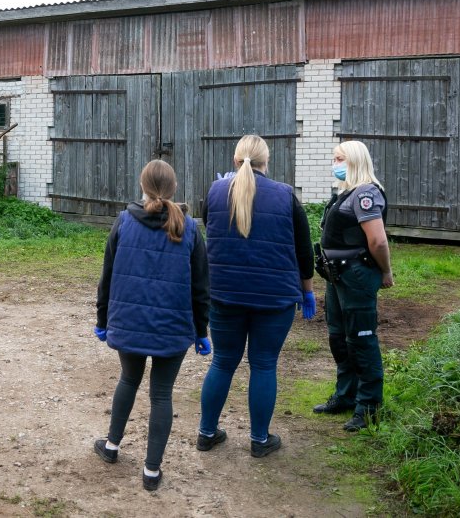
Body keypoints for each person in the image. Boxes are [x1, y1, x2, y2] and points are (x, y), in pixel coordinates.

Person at [92, 160, 211, 492]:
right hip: (174, 328)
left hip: (128, 324)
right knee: (161, 394)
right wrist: (202, 331)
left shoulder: (124, 222)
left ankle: (112, 446)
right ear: (173, 188)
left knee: (128, 379)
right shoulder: (189, 227)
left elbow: (107, 278)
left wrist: (103, 321)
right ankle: (152, 471)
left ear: (141, 186)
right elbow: (202, 287)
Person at [197, 134, 315, 458]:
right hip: (274, 299)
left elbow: (210, 226)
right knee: (264, 365)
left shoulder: (215, 191)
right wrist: (308, 292)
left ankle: (207, 433)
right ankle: (259, 440)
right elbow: (304, 252)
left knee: (222, 362)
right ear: (267, 162)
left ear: (235, 161)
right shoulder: (286, 196)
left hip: (223, 293)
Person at [313, 140, 393, 432]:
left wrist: (386, 271)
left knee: (361, 339)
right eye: (334, 158)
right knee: (339, 337)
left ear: (355, 161)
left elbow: (378, 240)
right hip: (336, 277)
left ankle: (369, 406)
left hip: (357, 275)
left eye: (339, 158)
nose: (335, 163)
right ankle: (346, 396)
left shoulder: (367, 194)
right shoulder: (345, 193)